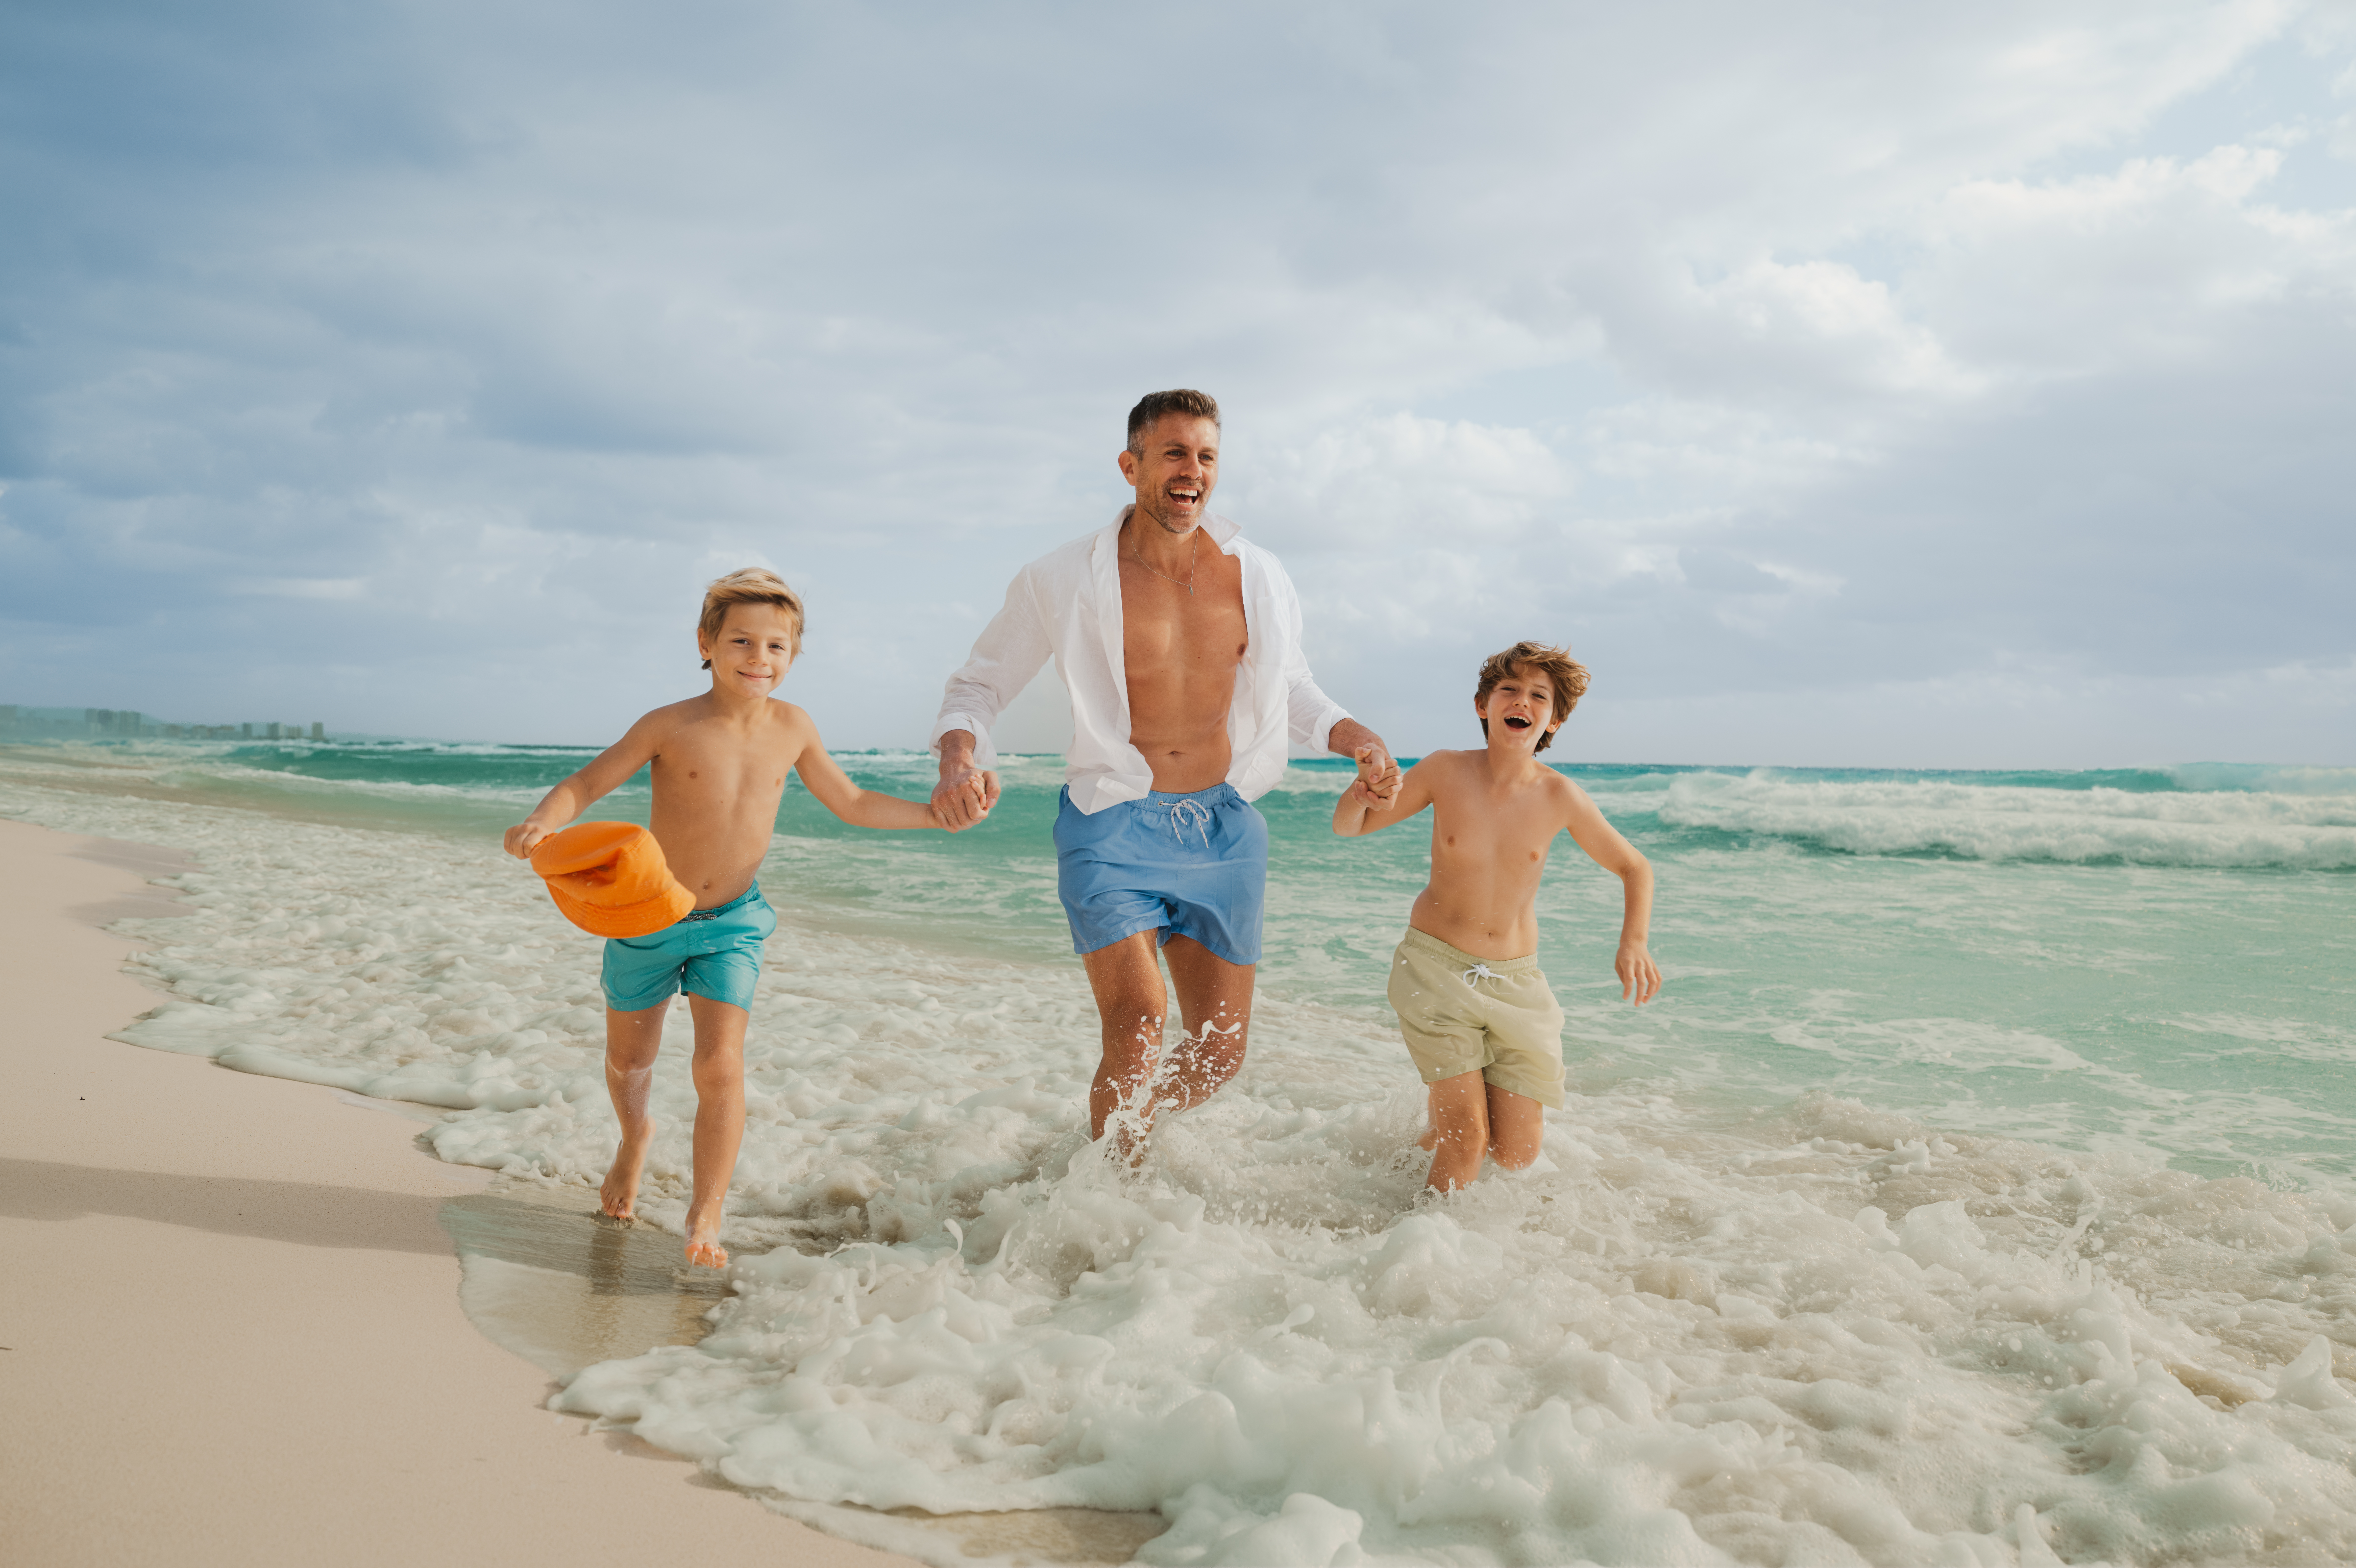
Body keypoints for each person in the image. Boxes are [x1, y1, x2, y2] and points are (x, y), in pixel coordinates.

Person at [929, 389, 1402, 1149]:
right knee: (1139, 1023)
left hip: (1224, 828)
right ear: (1131, 465)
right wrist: (960, 758)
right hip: (1112, 822)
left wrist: (1360, 740)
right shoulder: (1061, 577)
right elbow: (978, 686)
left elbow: (1292, 687)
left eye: (1207, 456)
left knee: (1219, 1053)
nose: (1193, 471)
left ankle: (1109, 1155)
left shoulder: (1258, 574)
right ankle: (1107, 1197)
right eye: (1174, 453)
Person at [504, 569, 973, 1266]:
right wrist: (544, 820)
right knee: (629, 1062)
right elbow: (588, 782)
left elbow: (851, 802)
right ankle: (634, 1141)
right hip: (649, 914)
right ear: (706, 643)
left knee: (720, 1064)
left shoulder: (794, 728)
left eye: (777, 646)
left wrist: (936, 818)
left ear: (794, 654)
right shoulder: (670, 725)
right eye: (742, 641)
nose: (760, 658)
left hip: (734, 921)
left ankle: (707, 1213)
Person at [1331, 641, 1661, 1191]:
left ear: (1554, 720)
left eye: (1539, 696)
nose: (1522, 701)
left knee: (1514, 1152)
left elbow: (1634, 867)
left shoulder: (1560, 796)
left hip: (1516, 985)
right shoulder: (1444, 770)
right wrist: (1363, 791)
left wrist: (1634, 942)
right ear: (1483, 705)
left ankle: (1406, 1167)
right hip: (1434, 971)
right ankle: (1414, 1232)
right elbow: (1350, 827)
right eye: (1509, 690)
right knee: (1468, 1141)